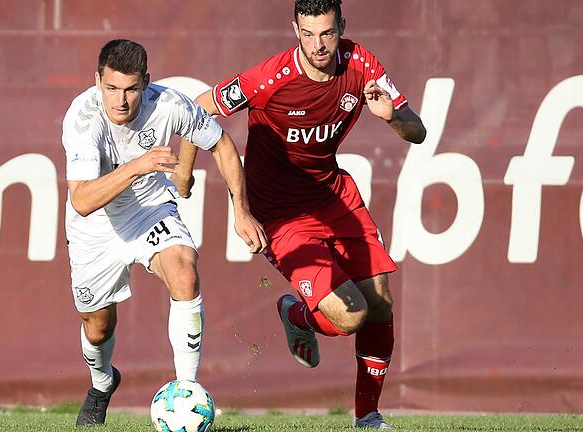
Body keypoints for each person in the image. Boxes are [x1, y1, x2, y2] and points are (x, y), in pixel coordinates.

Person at [179, 0, 426, 428]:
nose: (318, 44)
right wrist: (189, 176)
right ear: (295, 28)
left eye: (327, 33)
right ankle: (297, 313)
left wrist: (392, 119)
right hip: (279, 215)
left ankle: (368, 417)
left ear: (341, 27)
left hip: (333, 195)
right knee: (351, 316)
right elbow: (196, 106)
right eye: (308, 34)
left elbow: (417, 131)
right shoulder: (270, 78)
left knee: (380, 302)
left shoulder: (361, 63)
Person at [61, 39, 267, 427]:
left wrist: (241, 210)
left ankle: (186, 396)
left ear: (146, 83)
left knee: (184, 273)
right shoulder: (83, 119)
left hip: (150, 210)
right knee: (98, 324)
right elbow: (83, 201)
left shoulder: (169, 104)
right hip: (96, 226)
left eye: (131, 89)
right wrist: (138, 165)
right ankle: (102, 383)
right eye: (111, 88)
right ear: (97, 81)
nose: (120, 101)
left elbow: (221, 143)